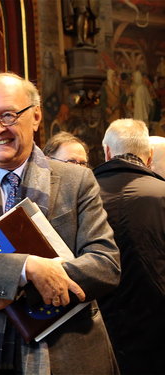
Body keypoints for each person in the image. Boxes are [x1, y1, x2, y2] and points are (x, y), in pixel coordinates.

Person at [0, 72, 120, 375]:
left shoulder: (77, 181)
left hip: (66, 353)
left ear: (36, 117)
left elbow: (105, 266)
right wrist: (27, 267)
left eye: (7, 115)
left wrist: (19, 288)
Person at [94, 119, 165, 374]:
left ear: (107, 152)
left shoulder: (84, 196)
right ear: (149, 156)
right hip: (157, 332)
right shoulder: (161, 193)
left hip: (96, 327)